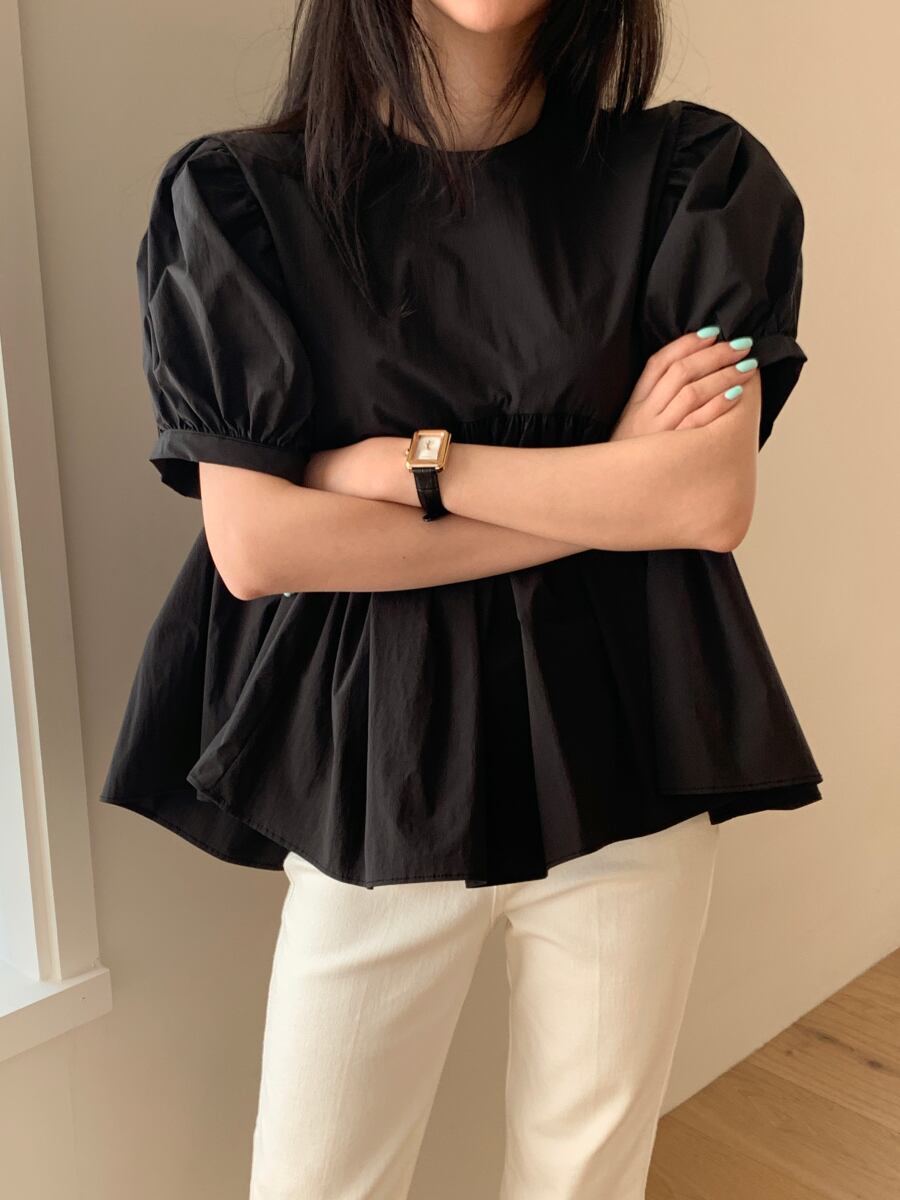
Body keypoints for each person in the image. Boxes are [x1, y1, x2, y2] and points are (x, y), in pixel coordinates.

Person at [101, 0, 824, 1195]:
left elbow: (705, 501)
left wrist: (411, 470)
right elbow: (261, 546)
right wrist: (610, 481)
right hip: (374, 773)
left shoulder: (692, 178)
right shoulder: (240, 200)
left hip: (627, 757)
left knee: (587, 1178)